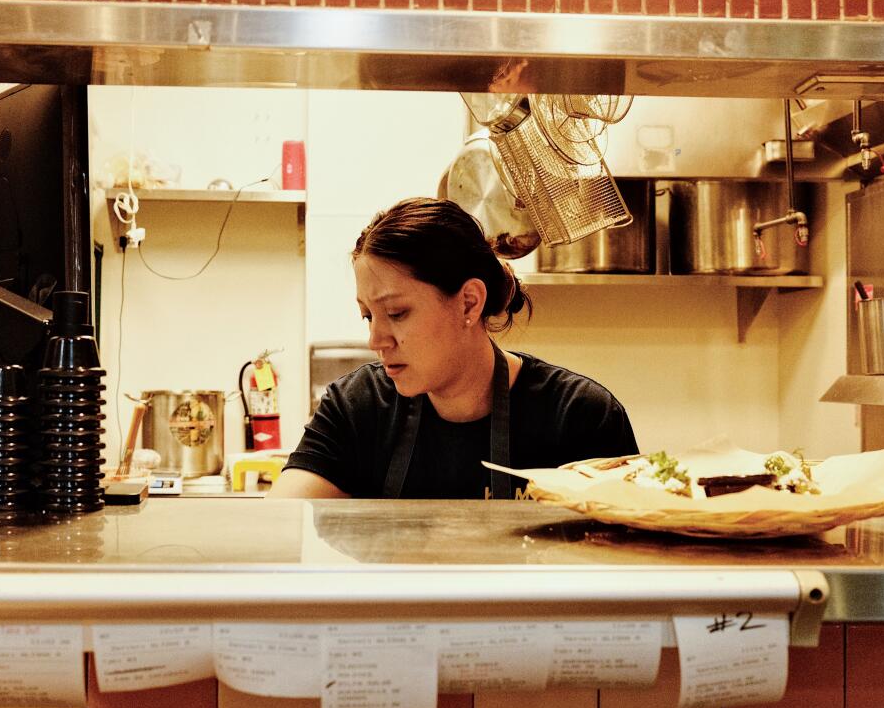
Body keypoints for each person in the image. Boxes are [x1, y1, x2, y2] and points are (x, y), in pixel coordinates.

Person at [268, 197, 639, 499]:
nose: (375, 341)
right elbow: (284, 527)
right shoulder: (356, 408)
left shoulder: (580, 417)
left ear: (469, 303)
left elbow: (625, 558)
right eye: (368, 316)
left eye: (396, 313)